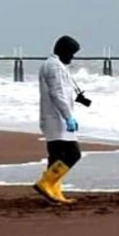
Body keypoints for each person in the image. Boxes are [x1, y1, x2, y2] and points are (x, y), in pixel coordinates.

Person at [33, 35, 83, 204]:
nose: (72, 57)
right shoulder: (53, 67)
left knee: (56, 157)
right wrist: (68, 117)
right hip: (56, 119)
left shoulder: (56, 65)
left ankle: (53, 192)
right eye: (71, 53)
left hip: (55, 118)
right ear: (64, 51)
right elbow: (57, 94)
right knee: (73, 154)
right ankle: (46, 183)